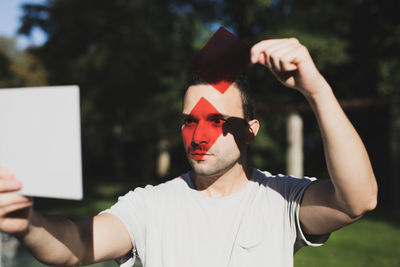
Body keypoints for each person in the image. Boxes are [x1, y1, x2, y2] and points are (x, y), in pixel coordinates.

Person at [0, 38, 377, 267]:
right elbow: (77, 246)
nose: (199, 136)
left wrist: (316, 90)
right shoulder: (150, 206)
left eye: (217, 121)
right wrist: (29, 224)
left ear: (249, 130)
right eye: (189, 121)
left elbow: (357, 200)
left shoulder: (281, 200)